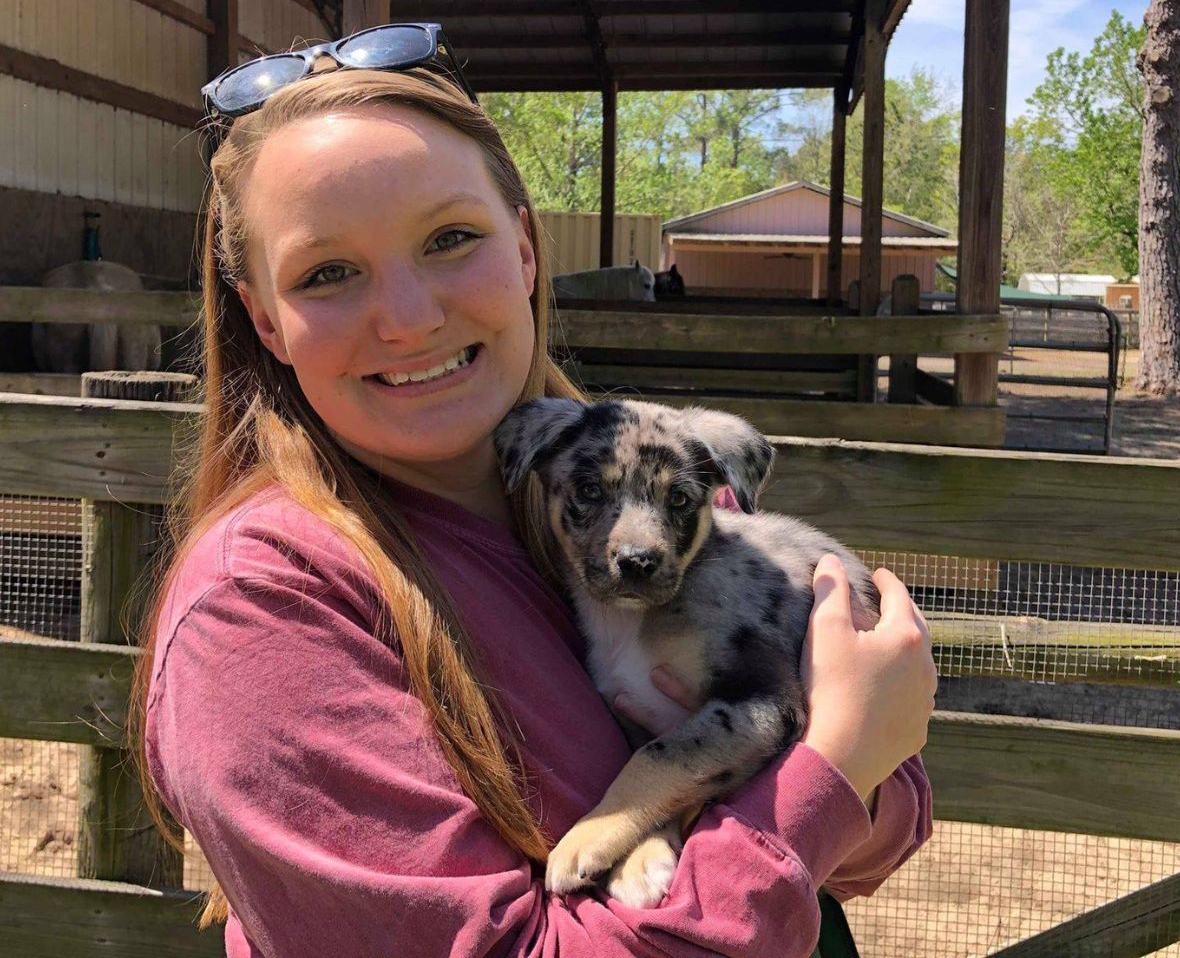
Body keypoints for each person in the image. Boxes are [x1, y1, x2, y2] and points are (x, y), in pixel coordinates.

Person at [134, 52, 936, 958]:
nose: (407, 317)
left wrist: (839, 765)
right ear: (266, 319)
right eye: (327, 273)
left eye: (448, 239)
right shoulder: (263, 611)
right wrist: (828, 768)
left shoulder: (584, 505)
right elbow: (842, 793)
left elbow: (884, 825)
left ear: (523, 249)